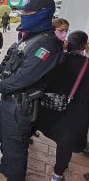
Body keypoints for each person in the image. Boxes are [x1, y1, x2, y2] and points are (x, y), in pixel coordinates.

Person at [0, 0, 63, 181]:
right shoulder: (29, 37)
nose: (24, 16)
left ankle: (14, 175)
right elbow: (8, 59)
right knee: (5, 138)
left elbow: (25, 77)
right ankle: (6, 166)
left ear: (44, 14)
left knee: (16, 144)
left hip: (21, 104)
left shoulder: (47, 44)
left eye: (29, 12)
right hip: (8, 99)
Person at [34, 31, 89, 181]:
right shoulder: (86, 65)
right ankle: (57, 175)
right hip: (75, 112)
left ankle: (26, 143)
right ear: (84, 45)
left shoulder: (58, 59)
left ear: (67, 43)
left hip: (52, 105)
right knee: (65, 145)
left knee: (39, 125)